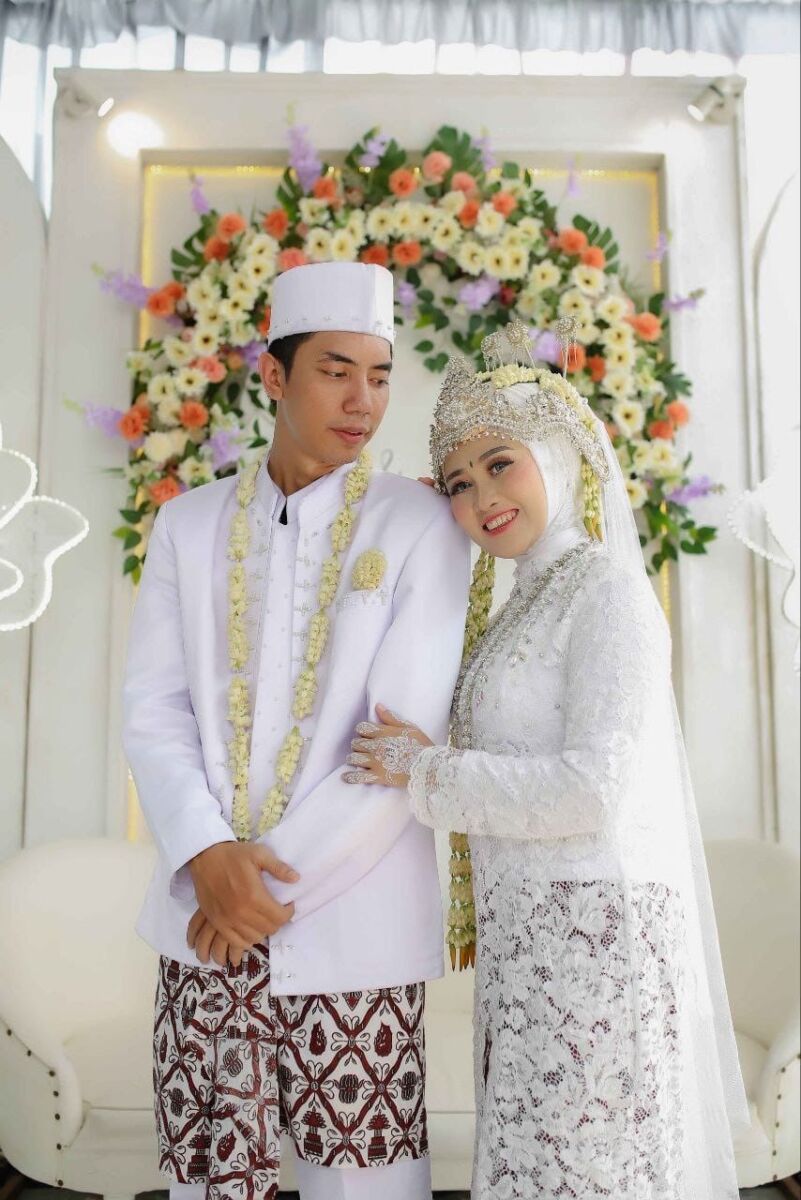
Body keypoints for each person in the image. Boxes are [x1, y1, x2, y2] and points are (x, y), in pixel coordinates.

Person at [345, 318, 749, 1199]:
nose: (480, 497)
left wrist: (423, 771)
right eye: (458, 483)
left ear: (560, 457)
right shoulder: (521, 604)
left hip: (598, 945)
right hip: (528, 945)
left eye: (500, 464)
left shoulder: (606, 593)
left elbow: (594, 790)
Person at [123, 260, 471, 1200]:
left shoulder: (421, 525)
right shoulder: (187, 525)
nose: (363, 401)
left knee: (367, 1184)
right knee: (212, 1182)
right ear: (274, 376)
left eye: (380, 375)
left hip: (352, 923)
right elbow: (154, 709)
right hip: (203, 921)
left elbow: (398, 740)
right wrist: (207, 858)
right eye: (335, 371)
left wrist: (252, 893)